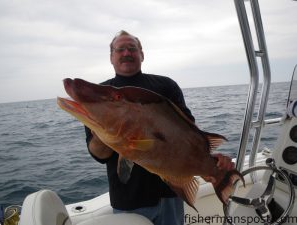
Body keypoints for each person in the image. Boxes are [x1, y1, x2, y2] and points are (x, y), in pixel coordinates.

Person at [85, 30, 234, 225]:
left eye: (132, 48)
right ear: (111, 57)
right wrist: (107, 130)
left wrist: (209, 164)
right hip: (129, 199)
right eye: (120, 49)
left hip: (171, 194)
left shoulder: (165, 85)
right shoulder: (100, 97)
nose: (126, 53)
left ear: (142, 54)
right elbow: (99, 155)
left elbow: (189, 134)